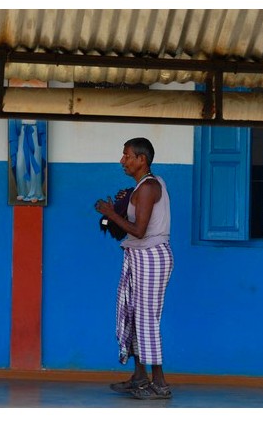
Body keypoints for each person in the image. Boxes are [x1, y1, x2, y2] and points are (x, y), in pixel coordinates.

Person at [95, 137, 174, 400]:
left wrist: (111, 212)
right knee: (134, 314)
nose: (122, 161)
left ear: (142, 159)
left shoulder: (149, 187)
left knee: (147, 318)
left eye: (127, 156)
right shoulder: (142, 186)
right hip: (141, 256)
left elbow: (139, 231)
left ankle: (160, 384)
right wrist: (119, 206)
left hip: (151, 256)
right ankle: (140, 377)